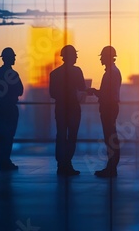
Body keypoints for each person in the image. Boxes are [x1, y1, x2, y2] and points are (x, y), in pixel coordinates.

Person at [49, 45, 87, 176]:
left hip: (60, 109)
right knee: (71, 137)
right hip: (73, 108)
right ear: (70, 56)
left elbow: (52, 94)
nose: (76, 57)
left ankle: (61, 164)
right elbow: (82, 87)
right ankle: (67, 163)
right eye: (75, 55)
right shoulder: (77, 71)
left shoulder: (54, 73)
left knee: (60, 136)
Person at [88, 46, 122, 178]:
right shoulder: (113, 71)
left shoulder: (110, 73)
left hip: (109, 107)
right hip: (111, 107)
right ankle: (111, 166)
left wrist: (94, 91)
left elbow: (106, 94)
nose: (101, 59)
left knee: (110, 137)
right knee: (111, 137)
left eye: (102, 56)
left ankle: (111, 167)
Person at [0, 47, 23, 171]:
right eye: (13, 57)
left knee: (2, 134)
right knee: (9, 135)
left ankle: (2, 161)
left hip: (1, 107)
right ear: (8, 58)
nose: (15, 58)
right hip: (10, 108)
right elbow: (20, 90)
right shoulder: (13, 74)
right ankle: (6, 160)